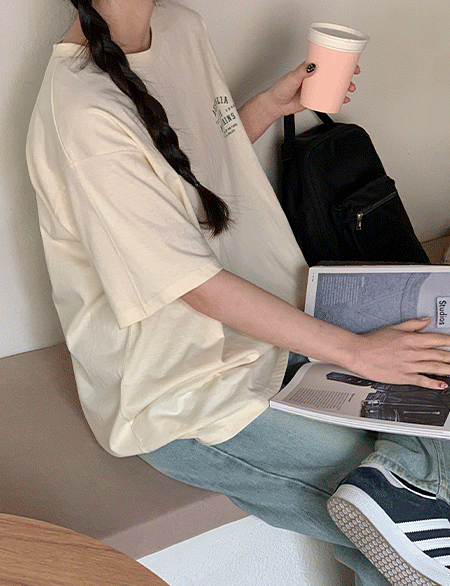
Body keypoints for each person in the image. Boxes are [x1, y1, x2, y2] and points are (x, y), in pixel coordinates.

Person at [26, 1, 450, 584]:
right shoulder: (81, 111)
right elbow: (192, 284)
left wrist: (269, 107)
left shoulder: (179, 29)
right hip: (181, 386)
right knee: (395, 521)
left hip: (274, 321)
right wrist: (358, 352)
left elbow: (188, 178)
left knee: (430, 396)